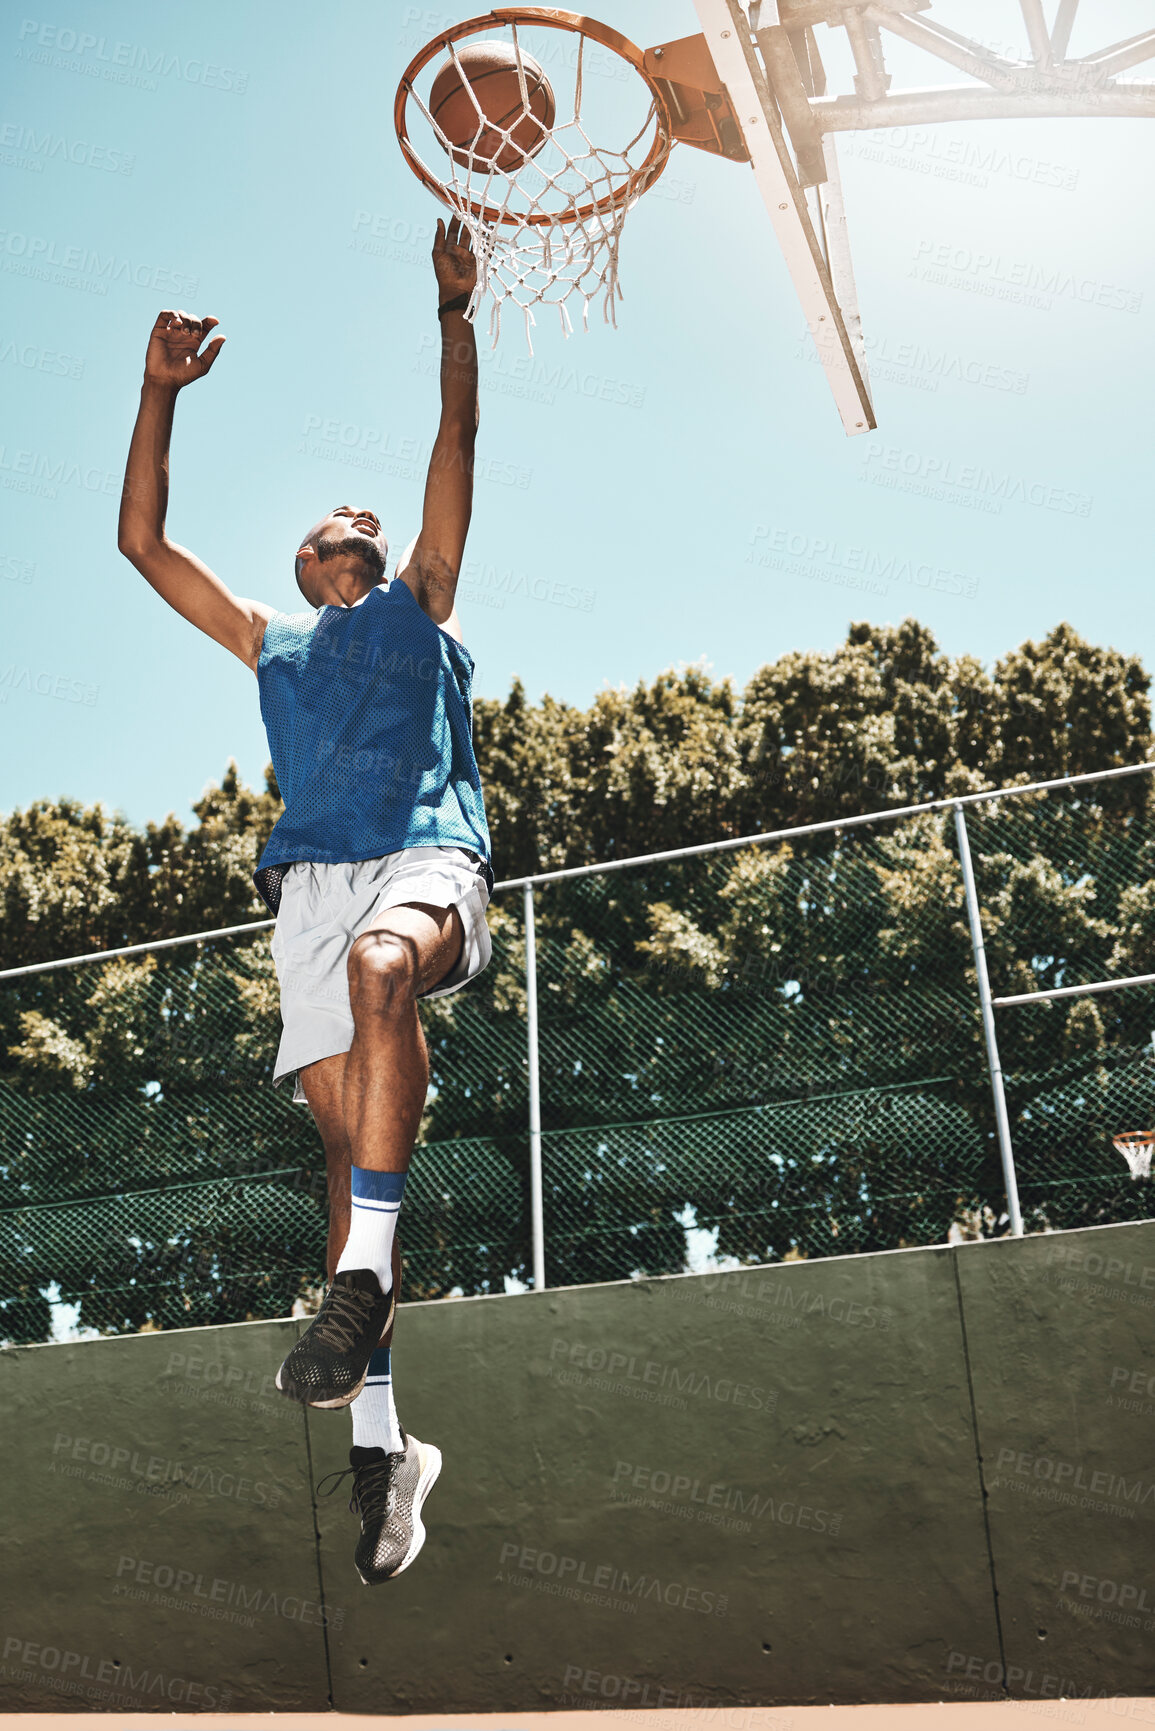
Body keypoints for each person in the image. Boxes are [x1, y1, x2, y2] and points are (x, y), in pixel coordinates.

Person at [117, 219, 492, 1585]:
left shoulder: (423, 605)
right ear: (304, 563)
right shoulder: (272, 647)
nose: (361, 520)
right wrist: (157, 392)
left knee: (390, 973)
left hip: (420, 858)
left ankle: (370, 1275)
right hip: (309, 889)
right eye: (335, 524)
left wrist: (453, 311)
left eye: (370, 521)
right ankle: (387, 1453)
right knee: (345, 1171)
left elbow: (455, 440)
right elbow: (142, 541)